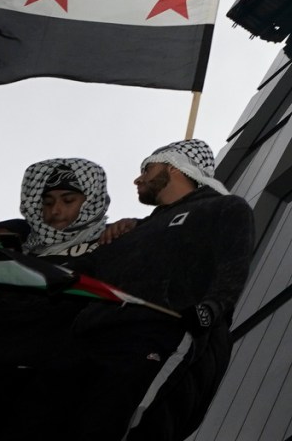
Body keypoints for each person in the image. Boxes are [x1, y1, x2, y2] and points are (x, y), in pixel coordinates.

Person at [65, 139, 255, 441]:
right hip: (84, 343)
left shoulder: (223, 208)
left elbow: (233, 267)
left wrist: (209, 311)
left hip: (154, 339)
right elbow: (77, 274)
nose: (138, 178)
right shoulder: (131, 231)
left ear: (173, 167)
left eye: (147, 169)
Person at [20, 158, 110, 257]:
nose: (55, 210)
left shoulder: (111, 241)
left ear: (92, 203)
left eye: (68, 200)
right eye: (48, 203)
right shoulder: (20, 247)